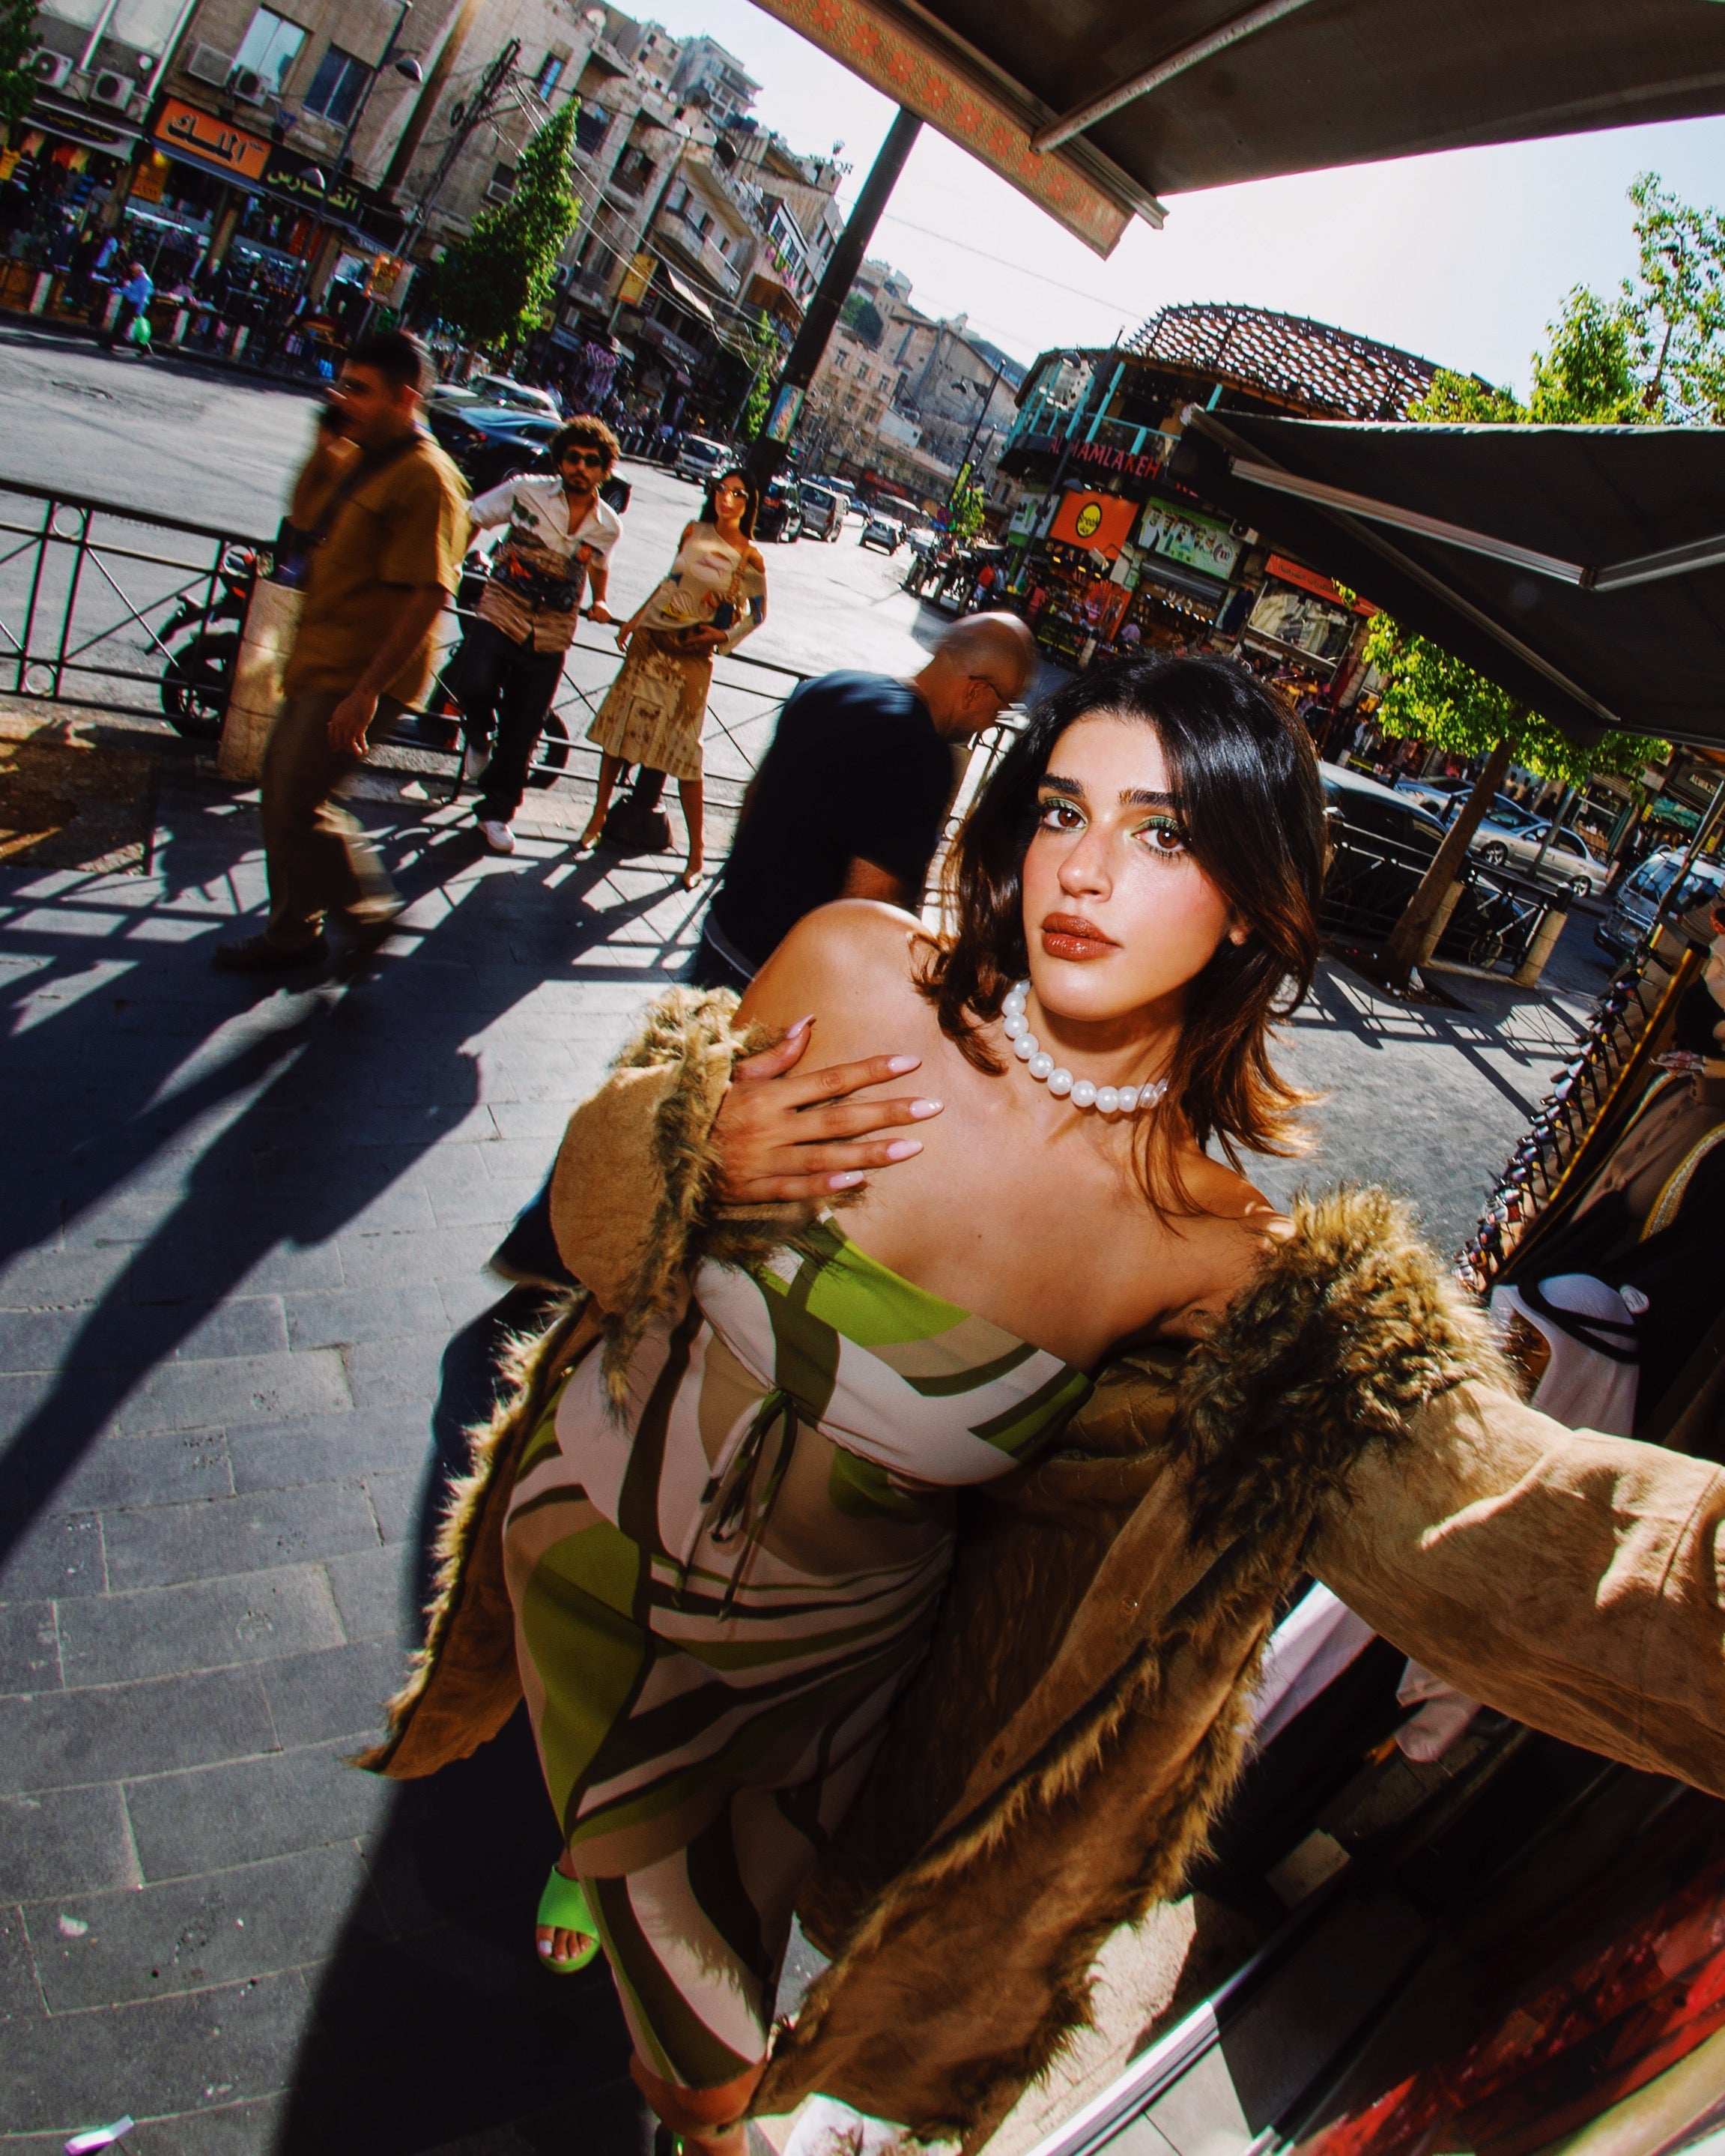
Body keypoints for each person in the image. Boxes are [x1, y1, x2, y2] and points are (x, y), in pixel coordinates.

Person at [363, 655, 1724, 2154]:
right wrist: (683, 1137)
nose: (1080, 866)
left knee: (709, 1989)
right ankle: (621, 1906)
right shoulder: (846, 965)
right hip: (580, 1551)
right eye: (1061, 809)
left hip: (811, 1692)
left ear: (1251, 906)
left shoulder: (1210, 1246)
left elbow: (1501, 1520)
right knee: (654, 1950)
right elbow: (585, 1224)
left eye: (1157, 832)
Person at [213, 330, 467, 975]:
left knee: (298, 799)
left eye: (360, 389)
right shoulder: (365, 454)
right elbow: (305, 517)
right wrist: (324, 449)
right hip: (321, 656)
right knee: (283, 794)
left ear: (405, 398)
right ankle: (298, 929)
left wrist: (366, 693)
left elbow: (429, 592)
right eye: (342, 382)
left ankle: (361, 913)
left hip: (361, 669)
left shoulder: (426, 476)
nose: (342, 397)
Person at [691, 612, 1037, 991]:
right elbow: (869, 901)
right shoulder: (921, 753)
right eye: (1002, 707)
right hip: (779, 980)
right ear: (977, 691)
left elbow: (753, 797)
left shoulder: (831, 686)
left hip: (722, 932)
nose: (992, 723)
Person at [580, 466, 767, 888]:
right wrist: (634, 620)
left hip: (693, 657)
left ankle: (696, 853)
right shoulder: (692, 531)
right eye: (723, 490)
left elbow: (758, 614)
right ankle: (596, 818)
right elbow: (671, 581)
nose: (727, 499)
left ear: (749, 504)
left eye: (738, 494)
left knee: (685, 753)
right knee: (619, 732)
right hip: (652, 641)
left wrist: (722, 634)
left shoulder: (750, 556)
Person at [458, 416, 622, 855]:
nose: (580, 468)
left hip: (553, 627)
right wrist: (455, 559)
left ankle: (496, 813)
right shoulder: (525, 490)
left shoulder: (608, 524)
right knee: (472, 679)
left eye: (591, 462)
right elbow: (474, 515)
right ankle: (477, 733)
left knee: (525, 725)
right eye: (573, 458)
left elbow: (598, 564)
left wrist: (601, 601)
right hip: (502, 605)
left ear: (605, 470)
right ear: (560, 461)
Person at [103, 260, 153, 353]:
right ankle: (145, 349)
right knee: (125, 326)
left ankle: (109, 343)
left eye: (134, 270)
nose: (133, 272)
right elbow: (128, 290)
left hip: (136, 306)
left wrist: (139, 311)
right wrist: (114, 290)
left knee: (124, 325)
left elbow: (143, 297)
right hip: (132, 305)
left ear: (139, 270)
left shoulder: (144, 281)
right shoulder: (138, 279)